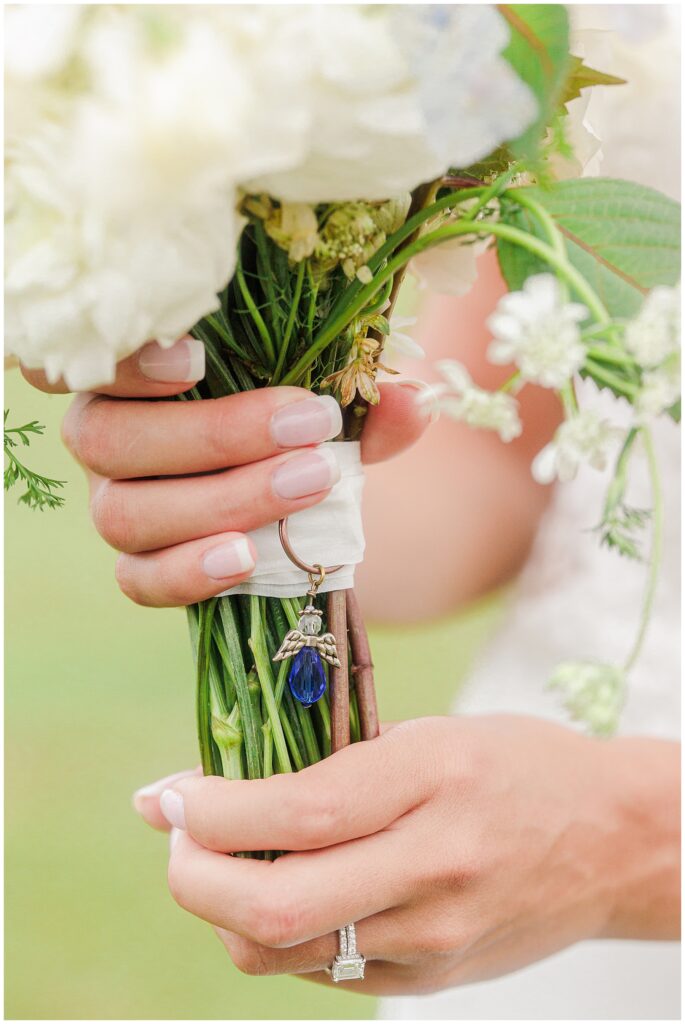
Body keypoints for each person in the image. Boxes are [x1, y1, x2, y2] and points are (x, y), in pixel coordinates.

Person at [20, 250, 680, 1011]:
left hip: (542, 834)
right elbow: (498, 461)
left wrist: (617, 842)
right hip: (510, 838)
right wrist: (263, 480)